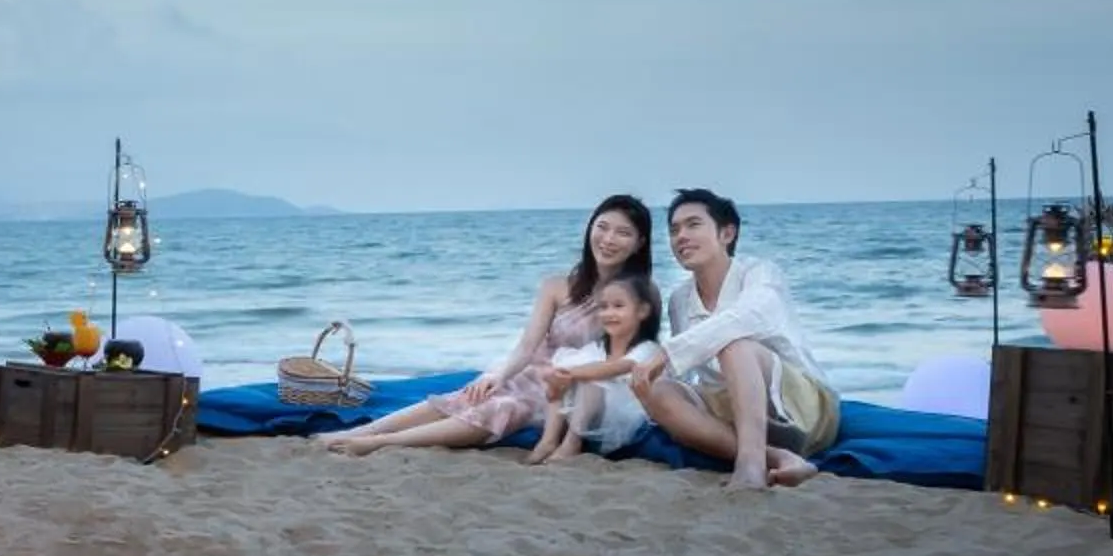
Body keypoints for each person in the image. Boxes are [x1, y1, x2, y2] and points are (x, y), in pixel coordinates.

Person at [321, 195, 653, 454]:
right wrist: (498, 375)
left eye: (622, 233)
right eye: (602, 227)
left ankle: (379, 444)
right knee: (470, 394)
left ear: (639, 243)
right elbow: (527, 346)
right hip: (531, 372)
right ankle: (362, 431)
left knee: (503, 408)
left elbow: (629, 357)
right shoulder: (557, 285)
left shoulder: (638, 297)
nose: (608, 239)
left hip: (575, 387)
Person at [628, 188, 841, 490]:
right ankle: (777, 457)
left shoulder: (760, 273)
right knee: (657, 388)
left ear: (727, 234)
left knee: (734, 345)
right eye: (674, 230)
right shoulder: (679, 299)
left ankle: (751, 467)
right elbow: (689, 374)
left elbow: (746, 317)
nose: (681, 236)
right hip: (733, 413)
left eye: (693, 225)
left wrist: (665, 354)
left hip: (801, 408)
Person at [524, 273, 667, 466]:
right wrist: (558, 379)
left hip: (623, 416)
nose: (609, 313)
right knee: (564, 377)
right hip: (588, 415)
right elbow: (570, 373)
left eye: (618, 306)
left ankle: (572, 443)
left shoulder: (648, 349)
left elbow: (615, 368)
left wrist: (569, 374)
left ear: (642, 311)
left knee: (590, 381)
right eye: (604, 307)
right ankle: (548, 440)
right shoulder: (597, 348)